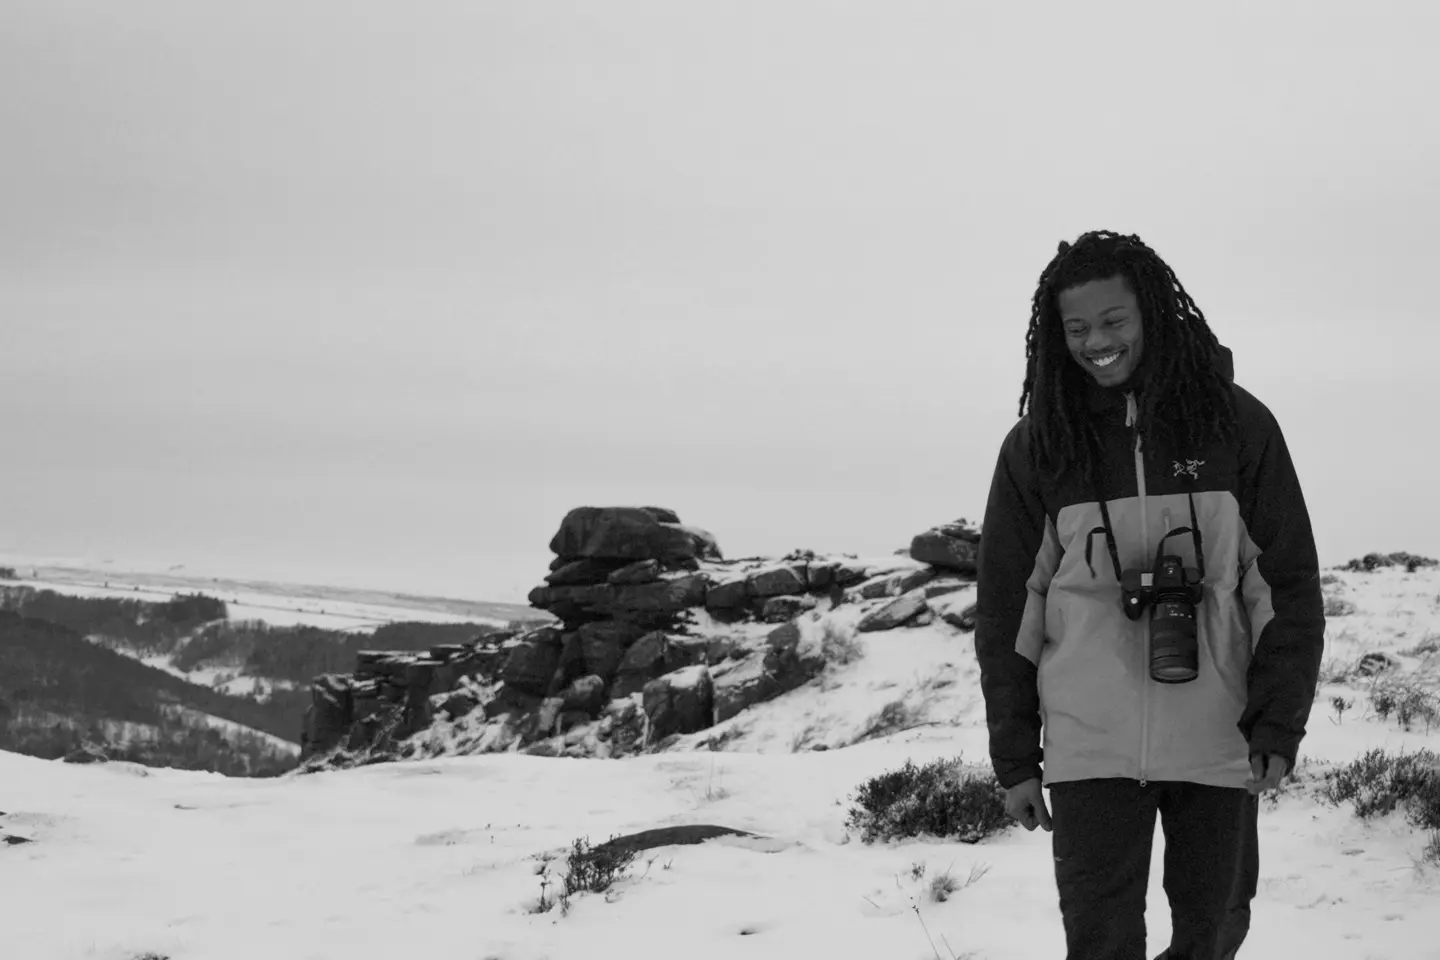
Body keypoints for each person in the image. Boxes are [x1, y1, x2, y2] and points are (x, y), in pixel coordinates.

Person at [973, 230, 1326, 960]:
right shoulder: (1041, 446)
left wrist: (1277, 723)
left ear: (1153, 314)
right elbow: (1008, 613)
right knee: (1099, 944)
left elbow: (1286, 589)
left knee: (1215, 932)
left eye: (1113, 321)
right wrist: (1016, 759)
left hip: (1218, 737)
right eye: (1076, 329)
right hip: (1087, 749)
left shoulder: (1237, 425)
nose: (1095, 342)